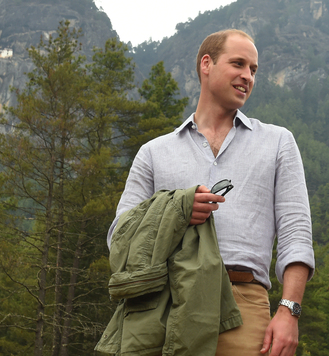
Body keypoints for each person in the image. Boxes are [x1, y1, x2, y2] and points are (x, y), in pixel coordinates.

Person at [109, 29, 314, 356]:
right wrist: (175, 212)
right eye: (238, 64)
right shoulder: (154, 152)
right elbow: (119, 236)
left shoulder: (277, 142)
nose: (247, 76)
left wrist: (289, 311)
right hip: (164, 306)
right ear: (207, 64)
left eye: (254, 70)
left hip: (245, 308)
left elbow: (296, 232)